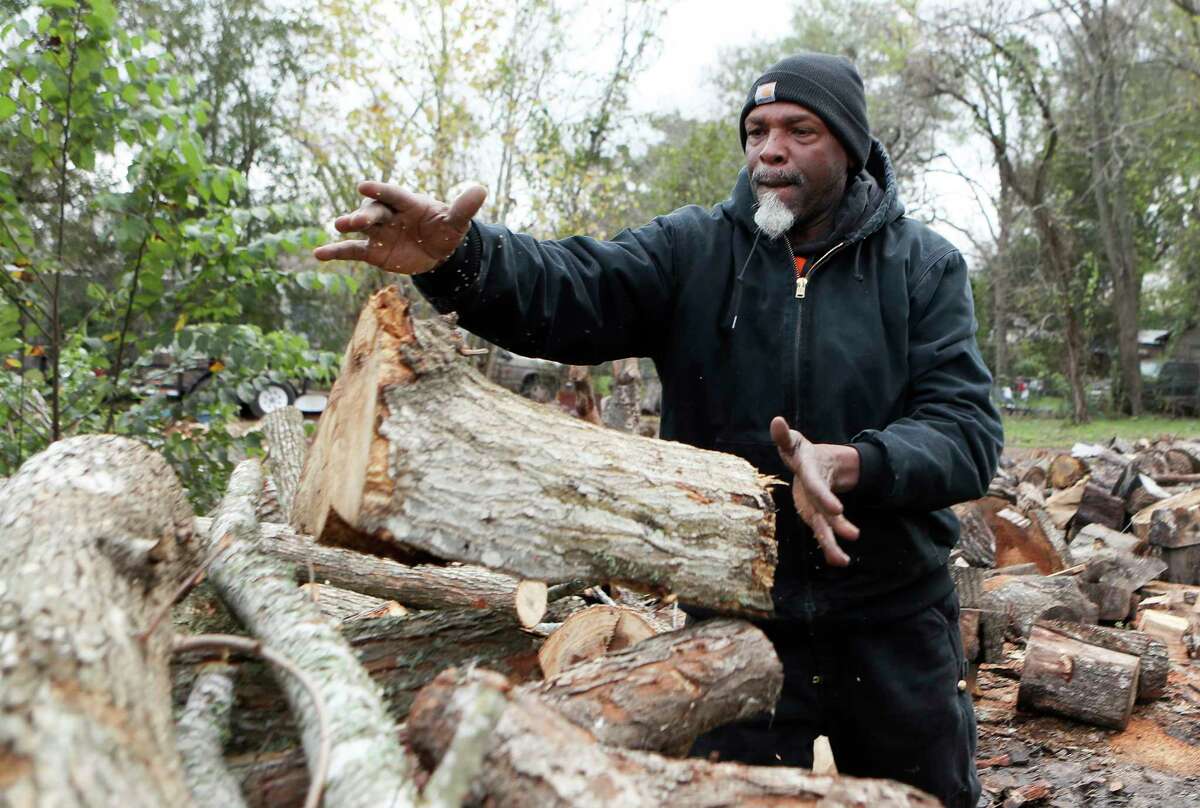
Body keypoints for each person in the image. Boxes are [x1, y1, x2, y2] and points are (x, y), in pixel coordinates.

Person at [314, 52, 1002, 807]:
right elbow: (573, 285)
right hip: (740, 627)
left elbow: (965, 431)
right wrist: (459, 259)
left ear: (850, 144)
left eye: (799, 129)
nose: (770, 148)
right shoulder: (694, 250)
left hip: (894, 623)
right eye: (757, 129)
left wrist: (853, 465)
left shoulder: (923, 266)